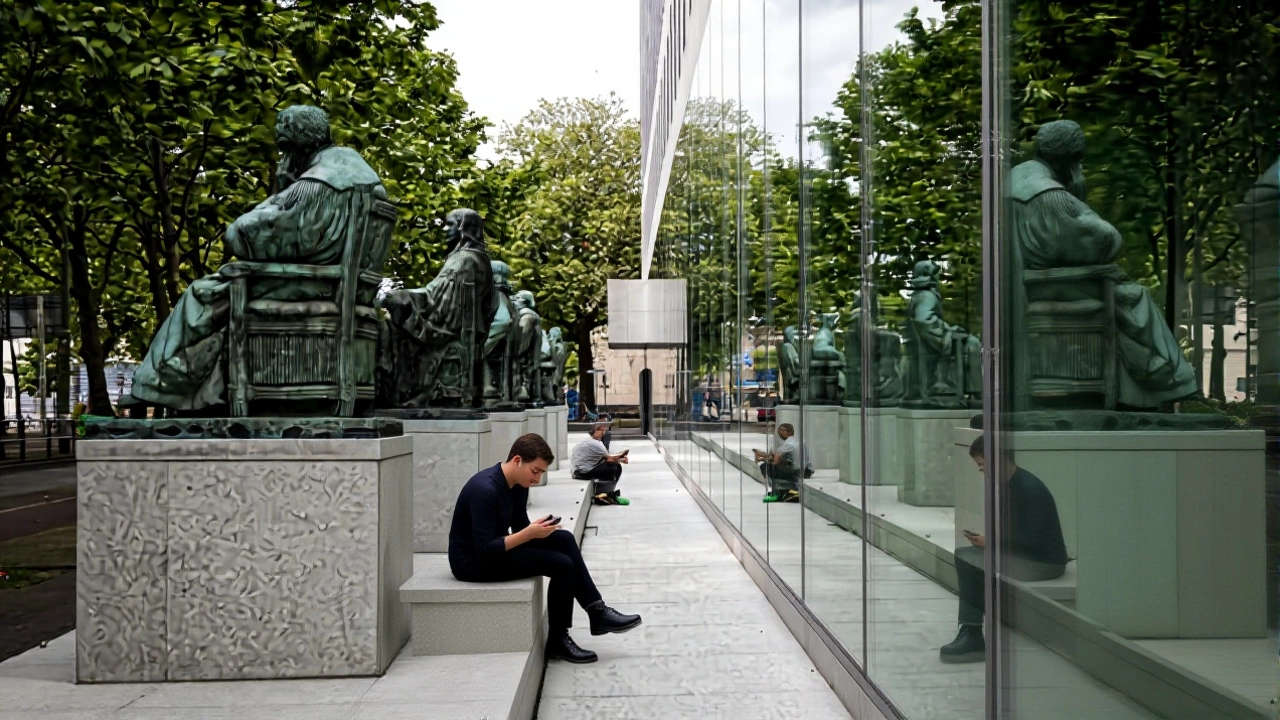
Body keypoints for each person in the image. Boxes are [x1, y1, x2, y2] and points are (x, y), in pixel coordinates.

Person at [449, 433, 642, 663]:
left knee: (564, 539)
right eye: (535, 471)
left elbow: (519, 526)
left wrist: (539, 528)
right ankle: (558, 640)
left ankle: (596, 610)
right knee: (562, 565)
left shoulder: (518, 484)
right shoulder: (485, 489)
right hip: (472, 562)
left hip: (495, 548)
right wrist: (529, 533)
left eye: (541, 472)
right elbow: (484, 548)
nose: (537, 478)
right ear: (517, 460)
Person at [941, 435, 1069, 663]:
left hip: (1044, 563)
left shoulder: (1028, 488)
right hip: (1026, 556)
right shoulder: (1010, 484)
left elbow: (1031, 538)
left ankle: (972, 635)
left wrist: (991, 542)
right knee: (965, 555)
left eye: (982, 465)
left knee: (971, 561)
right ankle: (970, 630)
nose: (981, 471)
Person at [570, 421, 630, 505]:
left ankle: (604, 492)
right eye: (603, 431)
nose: (604, 433)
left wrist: (620, 458)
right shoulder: (596, 444)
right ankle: (605, 494)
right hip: (583, 472)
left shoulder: (588, 441)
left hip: (578, 471)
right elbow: (610, 459)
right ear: (596, 431)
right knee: (615, 467)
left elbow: (605, 458)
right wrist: (622, 459)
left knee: (609, 467)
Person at [752, 422, 811, 503]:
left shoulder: (789, 445)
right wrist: (765, 457)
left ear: (788, 432)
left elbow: (776, 461)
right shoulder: (797, 443)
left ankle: (779, 492)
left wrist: (763, 459)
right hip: (803, 470)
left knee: (766, 467)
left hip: (795, 472)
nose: (779, 433)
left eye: (781, 431)